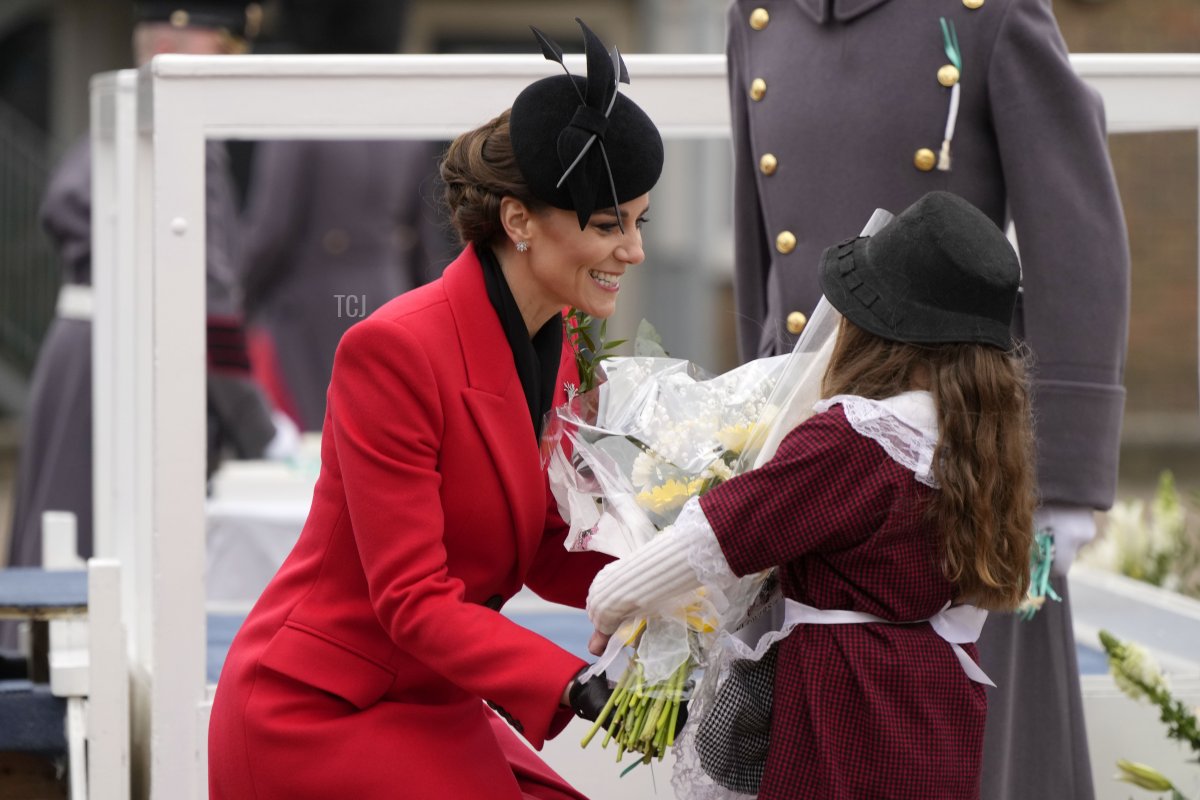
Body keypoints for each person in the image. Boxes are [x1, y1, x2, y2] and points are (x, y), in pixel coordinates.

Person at [207, 20, 664, 799]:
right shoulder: (393, 350)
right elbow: (413, 599)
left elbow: (547, 541)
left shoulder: (557, 338)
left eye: (639, 222)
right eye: (606, 225)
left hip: (434, 699)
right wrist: (580, 687)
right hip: (320, 711)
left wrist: (676, 578)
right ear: (519, 222)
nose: (634, 250)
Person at [724, 2, 1129, 796]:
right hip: (809, 451)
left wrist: (1067, 479)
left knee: (971, 757)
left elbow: (1073, 233)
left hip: (955, 463)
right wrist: (747, 422)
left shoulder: (992, 13)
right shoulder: (758, 14)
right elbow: (759, 251)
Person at [587, 191, 1037, 800]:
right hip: (935, 705)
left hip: (846, 703)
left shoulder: (858, 438)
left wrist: (612, 598)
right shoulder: (977, 442)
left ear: (877, 331)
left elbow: (720, 532)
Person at [5, 0, 282, 582]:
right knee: (101, 569)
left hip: (86, 352)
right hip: (128, 366)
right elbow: (207, 312)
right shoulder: (181, 142)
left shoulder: (122, 127)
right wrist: (259, 429)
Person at [235, 0, 456, 431]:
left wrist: (232, 305)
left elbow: (270, 233)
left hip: (310, 309)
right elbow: (423, 240)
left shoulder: (304, 116)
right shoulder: (404, 120)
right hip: (387, 295)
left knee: (314, 443)